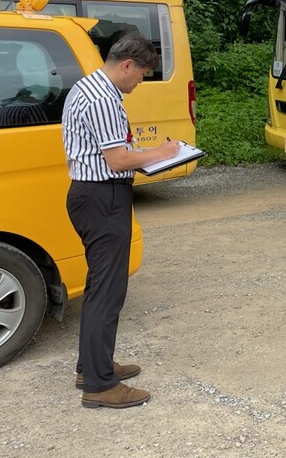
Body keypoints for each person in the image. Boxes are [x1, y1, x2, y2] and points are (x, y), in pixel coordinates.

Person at [62, 32, 181, 409]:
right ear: (127, 65)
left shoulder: (88, 87)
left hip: (93, 195)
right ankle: (99, 386)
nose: (141, 81)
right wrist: (160, 152)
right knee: (107, 294)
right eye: (142, 73)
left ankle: (91, 367)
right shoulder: (103, 99)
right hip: (103, 197)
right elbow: (117, 160)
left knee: (100, 286)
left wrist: (145, 154)